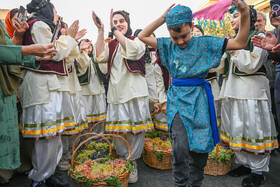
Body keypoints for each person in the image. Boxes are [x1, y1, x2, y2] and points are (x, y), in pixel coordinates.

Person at [138, 0, 250, 186]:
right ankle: (180, 184)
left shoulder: (206, 44)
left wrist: (244, 13)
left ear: (191, 26)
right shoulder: (166, 45)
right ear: (169, 34)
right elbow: (143, 35)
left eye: (184, 35)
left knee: (199, 149)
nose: (180, 41)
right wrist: (163, 18)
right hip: (178, 101)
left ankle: (195, 183)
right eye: (175, 37)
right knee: (180, 147)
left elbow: (240, 42)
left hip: (199, 100)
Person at [18, 0, 80, 186]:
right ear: (45, 9)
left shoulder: (40, 25)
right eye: (55, 11)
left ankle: (48, 173)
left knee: (52, 135)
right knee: (47, 137)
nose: (57, 14)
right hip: (42, 87)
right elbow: (54, 52)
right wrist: (69, 37)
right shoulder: (38, 24)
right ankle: (40, 177)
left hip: (48, 85)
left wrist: (68, 39)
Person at [216, 6, 278, 187]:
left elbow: (252, 63)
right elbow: (222, 67)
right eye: (231, 16)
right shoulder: (233, 39)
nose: (232, 19)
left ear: (247, 17)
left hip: (251, 94)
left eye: (236, 15)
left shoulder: (260, 37)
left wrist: (233, 49)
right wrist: (223, 50)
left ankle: (258, 171)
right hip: (231, 91)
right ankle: (245, 164)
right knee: (237, 130)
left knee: (253, 130)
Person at [92, 9, 153, 183]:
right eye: (115, 21)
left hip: (134, 94)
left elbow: (133, 52)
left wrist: (115, 31)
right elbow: (98, 57)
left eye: (121, 21)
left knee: (135, 132)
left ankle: (131, 161)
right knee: (119, 132)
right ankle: (122, 158)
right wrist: (101, 30)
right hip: (116, 94)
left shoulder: (138, 40)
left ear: (128, 23)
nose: (118, 24)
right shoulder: (112, 43)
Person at [0, 15, 56, 184]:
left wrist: (37, 57)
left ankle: (9, 169)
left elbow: (8, 47)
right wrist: (30, 50)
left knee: (10, 131)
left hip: (7, 86)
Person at [79, 39, 107, 134]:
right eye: (86, 46)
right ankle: (87, 136)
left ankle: (99, 135)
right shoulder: (80, 58)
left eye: (89, 46)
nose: (88, 48)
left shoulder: (96, 58)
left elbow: (104, 70)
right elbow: (81, 69)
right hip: (85, 91)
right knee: (87, 114)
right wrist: (84, 52)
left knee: (100, 113)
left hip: (99, 89)